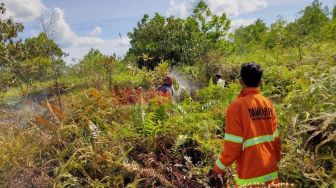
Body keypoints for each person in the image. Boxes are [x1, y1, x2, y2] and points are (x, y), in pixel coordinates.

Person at [212, 63, 282, 187]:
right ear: (261, 82)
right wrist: (275, 159)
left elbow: (232, 147)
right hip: (270, 172)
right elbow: (276, 139)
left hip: (249, 177)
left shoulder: (236, 107)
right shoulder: (268, 104)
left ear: (240, 81)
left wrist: (217, 169)